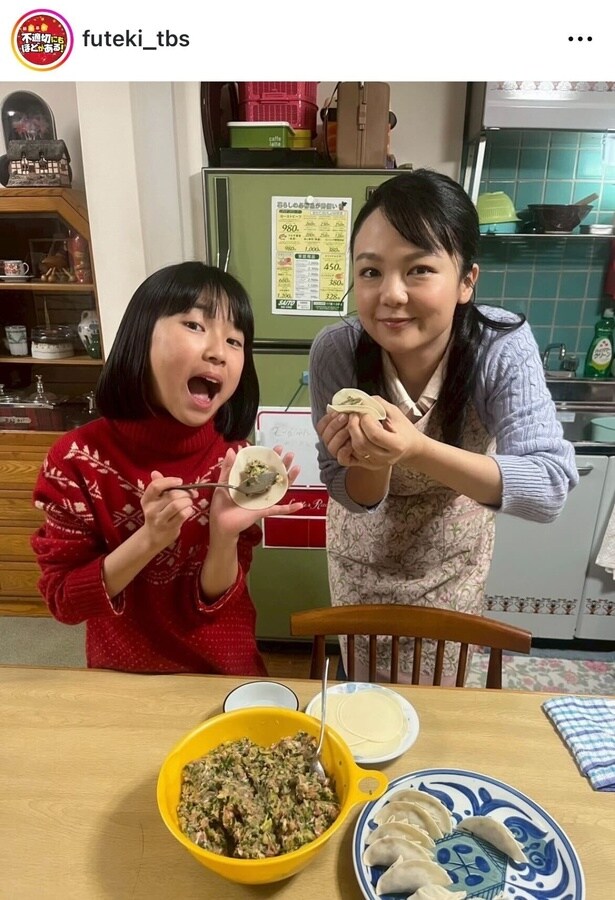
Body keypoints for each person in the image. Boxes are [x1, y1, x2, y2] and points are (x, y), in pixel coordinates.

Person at [308, 169, 579, 684]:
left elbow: (547, 489)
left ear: (466, 280)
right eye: (370, 272)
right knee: (364, 698)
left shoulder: (501, 348)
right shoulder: (337, 351)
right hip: (360, 562)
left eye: (419, 270)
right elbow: (349, 492)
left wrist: (414, 449)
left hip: (451, 562)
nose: (390, 294)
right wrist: (369, 461)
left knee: (441, 698)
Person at [31, 261, 302, 676]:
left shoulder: (235, 460)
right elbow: (65, 603)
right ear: (142, 337)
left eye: (234, 340)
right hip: (125, 678)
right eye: (194, 325)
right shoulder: (74, 461)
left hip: (223, 670)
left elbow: (216, 598)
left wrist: (224, 536)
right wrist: (150, 538)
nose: (217, 351)